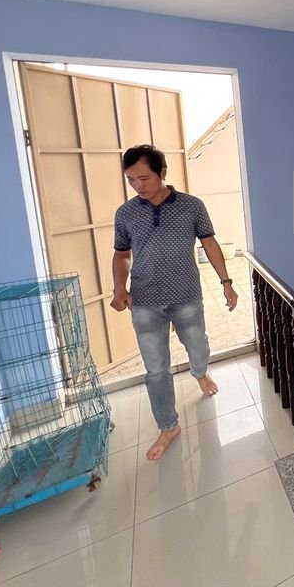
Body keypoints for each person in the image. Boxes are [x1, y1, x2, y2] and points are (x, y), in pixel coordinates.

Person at [110, 144, 238, 460]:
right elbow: (122, 254)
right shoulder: (125, 213)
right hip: (144, 300)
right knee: (156, 369)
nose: (137, 186)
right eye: (131, 180)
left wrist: (226, 283)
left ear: (162, 172)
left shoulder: (192, 206)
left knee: (198, 346)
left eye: (143, 178)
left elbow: (209, 244)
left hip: (186, 294)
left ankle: (200, 372)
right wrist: (119, 287)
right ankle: (168, 426)